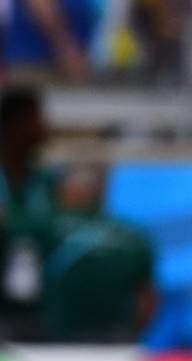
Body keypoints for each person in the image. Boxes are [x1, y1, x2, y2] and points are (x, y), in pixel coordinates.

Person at [43, 163, 157, 343]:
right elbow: (147, 301)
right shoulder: (133, 234)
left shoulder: (44, 227)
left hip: (53, 341)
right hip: (117, 339)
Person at [0, 85, 58, 341]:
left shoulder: (45, 181)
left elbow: (57, 230)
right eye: (37, 119)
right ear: (15, 125)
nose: (45, 128)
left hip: (40, 307)